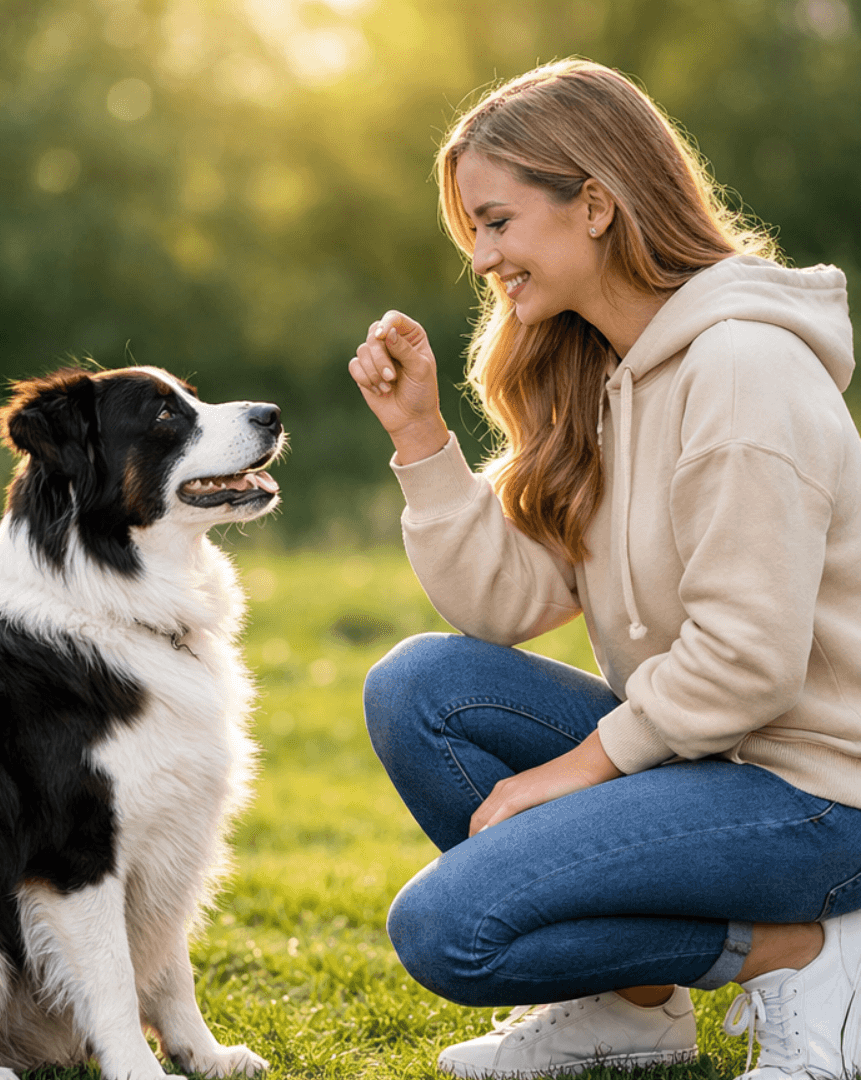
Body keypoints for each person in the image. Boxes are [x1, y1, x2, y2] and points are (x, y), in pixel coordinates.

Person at [347, 59, 861, 1079]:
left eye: (497, 222)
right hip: (704, 761)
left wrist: (572, 772)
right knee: (419, 687)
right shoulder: (604, 375)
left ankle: (812, 949)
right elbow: (503, 605)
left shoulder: (742, 373)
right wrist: (419, 439)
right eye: (474, 233)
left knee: (449, 928)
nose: (484, 258)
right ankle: (636, 1011)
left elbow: (748, 662)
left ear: (593, 203)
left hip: (821, 794)